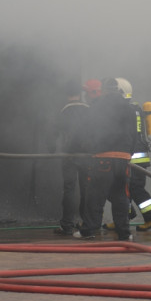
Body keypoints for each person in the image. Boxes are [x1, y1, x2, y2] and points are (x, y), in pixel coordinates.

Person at [76, 77, 134, 240]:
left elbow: (88, 131)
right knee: (121, 196)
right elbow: (133, 134)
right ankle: (124, 233)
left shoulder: (97, 107)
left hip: (103, 158)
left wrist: (88, 148)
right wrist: (128, 154)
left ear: (106, 90)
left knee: (95, 195)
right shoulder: (128, 108)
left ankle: (88, 230)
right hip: (123, 159)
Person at [102, 78, 151, 232]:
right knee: (124, 188)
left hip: (132, 157)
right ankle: (124, 217)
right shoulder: (134, 109)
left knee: (133, 189)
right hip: (136, 156)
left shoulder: (124, 109)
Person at [52, 80, 92, 235]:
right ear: (80, 93)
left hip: (69, 155)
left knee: (69, 189)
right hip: (87, 156)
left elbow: (54, 131)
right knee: (86, 189)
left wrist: (51, 148)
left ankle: (67, 224)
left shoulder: (63, 111)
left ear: (66, 93)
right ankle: (86, 222)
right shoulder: (89, 110)